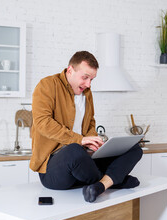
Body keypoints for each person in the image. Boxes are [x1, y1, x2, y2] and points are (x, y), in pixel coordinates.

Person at [30, 51, 143, 203]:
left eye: (91, 79)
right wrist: (80, 140)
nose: (88, 84)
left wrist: (92, 143)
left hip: (83, 161)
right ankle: (114, 179)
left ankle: (101, 185)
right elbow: (42, 122)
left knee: (134, 148)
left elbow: (90, 122)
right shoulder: (47, 85)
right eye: (85, 77)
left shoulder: (86, 93)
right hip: (54, 169)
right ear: (70, 70)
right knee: (75, 150)